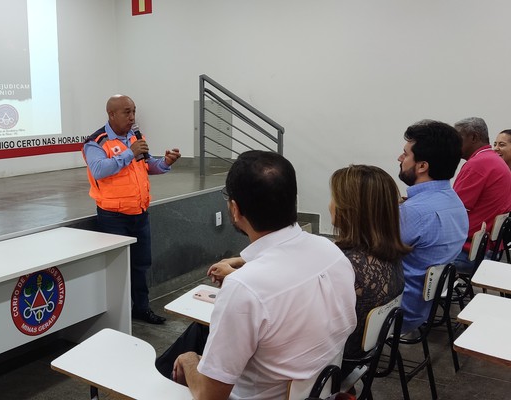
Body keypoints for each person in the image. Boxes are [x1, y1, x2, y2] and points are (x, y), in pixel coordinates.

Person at [160, 150, 357, 400]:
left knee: (179, 361)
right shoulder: (333, 254)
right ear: (292, 200)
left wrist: (189, 361)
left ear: (235, 209)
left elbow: (210, 396)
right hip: (322, 390)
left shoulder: (244, 287)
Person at [82, 94, 181, 324]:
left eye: (134, 111)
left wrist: (165, 162)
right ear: (111, 114)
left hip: (139, 213)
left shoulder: (135, 137)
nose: (132, 117)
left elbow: (147, 165)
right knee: (118, 269)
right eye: (127, 112)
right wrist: (130, 152)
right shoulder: (97, 141)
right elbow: (99, 170)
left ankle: (141, 308)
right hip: (113, 216)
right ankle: (118, 316)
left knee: (140, 265)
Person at [329, 165, 409, 366]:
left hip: (333, 367)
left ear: (350, 209)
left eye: (334, 199)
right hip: (362, 360)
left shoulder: (343, 265)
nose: (330, 205)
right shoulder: (390, 255)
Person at [397, 120, 468, 334]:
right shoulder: (455, 202)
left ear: (422, 166)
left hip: (397, 313)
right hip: (422, 309)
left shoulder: (414, 212)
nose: (400, 159)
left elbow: (370, 256)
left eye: (405, 154)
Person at [453, 117, 511, 274]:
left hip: (469, 254)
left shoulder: (478, 164)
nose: (454, 144)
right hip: (488, 250)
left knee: (405, 253)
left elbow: (452, 212)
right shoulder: (494, 161)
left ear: (473, 137)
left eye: (457, 138)